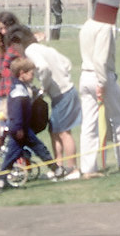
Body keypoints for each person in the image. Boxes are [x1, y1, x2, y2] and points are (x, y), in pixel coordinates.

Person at [78, 11, 120, 177]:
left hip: (85, 74)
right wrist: (102, 82)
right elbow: (100, 58)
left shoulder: (87, 24)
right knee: (119, 119)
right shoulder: (104, 26)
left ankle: (88, 168)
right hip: (101, 75)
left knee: (89, 124)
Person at [17, 26, 78, 175]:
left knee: (64, 133)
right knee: (54, 131)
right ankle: (58, 167)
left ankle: (73, 168)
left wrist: (44, 87)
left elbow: (43, 68)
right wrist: (62, 77)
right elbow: (67, 63)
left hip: (64, 94)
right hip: (62, 93)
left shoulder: (30, 51)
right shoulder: (44, 48)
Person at [0, 57, 58, 178]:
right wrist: (18, 128)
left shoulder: (23, 87)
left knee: (16, 153)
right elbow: (16, 113)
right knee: (38, 149)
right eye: (31, 73)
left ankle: (2, 179)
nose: (33, 76)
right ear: (22, 73)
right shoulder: (18, 91)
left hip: (23, 129)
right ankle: (56, 169)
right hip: (21, 130)